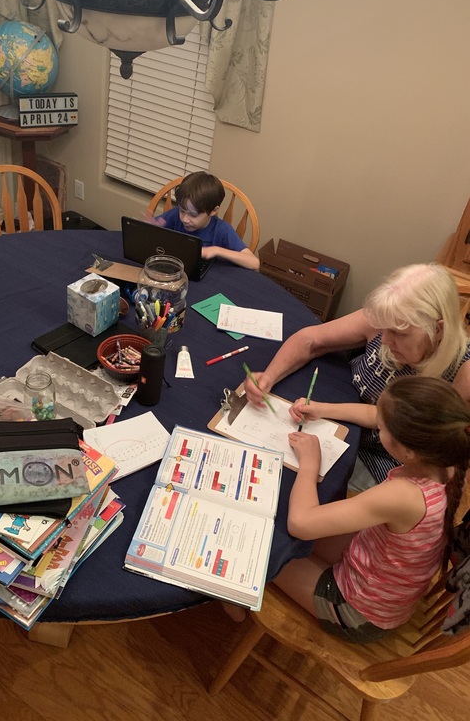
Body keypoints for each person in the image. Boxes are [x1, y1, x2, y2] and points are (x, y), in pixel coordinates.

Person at [270, 376, 470, 643]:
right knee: (292, 532)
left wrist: (310, 462)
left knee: (266, 548)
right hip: (377, 567)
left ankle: (230, 598)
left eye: (382, 428)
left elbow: (301, 523)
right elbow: (375, 413)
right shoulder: (446, 458)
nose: (377, 427)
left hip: (359, 611)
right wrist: (321, 409)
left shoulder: (403, 496)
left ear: (407, 451)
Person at [245, 262, 470, 485]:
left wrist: (326, 411)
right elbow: (310, 340)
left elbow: (396, 424)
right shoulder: (391, 317)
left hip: (381, 456)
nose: (384, 340)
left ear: (438, 329)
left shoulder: (463, 373)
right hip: (330, 416)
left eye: (398, 333)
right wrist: (269, 376)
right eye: (383, 328)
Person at [148, 172, 260, 270]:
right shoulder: (175, 215)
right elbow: (151, 230)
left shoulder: (222, 230)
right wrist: (150, 227)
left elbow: (254, 263)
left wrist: (216, 250)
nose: (184, 219)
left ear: (213, 211)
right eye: (182, 211)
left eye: (193, 215)